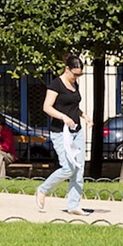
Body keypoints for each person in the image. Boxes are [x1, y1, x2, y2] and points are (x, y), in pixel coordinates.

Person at [36, 54, 91, 214]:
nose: (77, 77)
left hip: (77, 131)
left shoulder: (75, 84)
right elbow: (47, 107)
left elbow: (72, 106)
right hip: (60, 132)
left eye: (80, 74)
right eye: (75, 74)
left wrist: (84, 116)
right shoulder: (56, 84)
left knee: (79, 169)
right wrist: (63, 117)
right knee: (68, 168)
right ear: (67, 69)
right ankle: (42, 189)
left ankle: (73, 206)